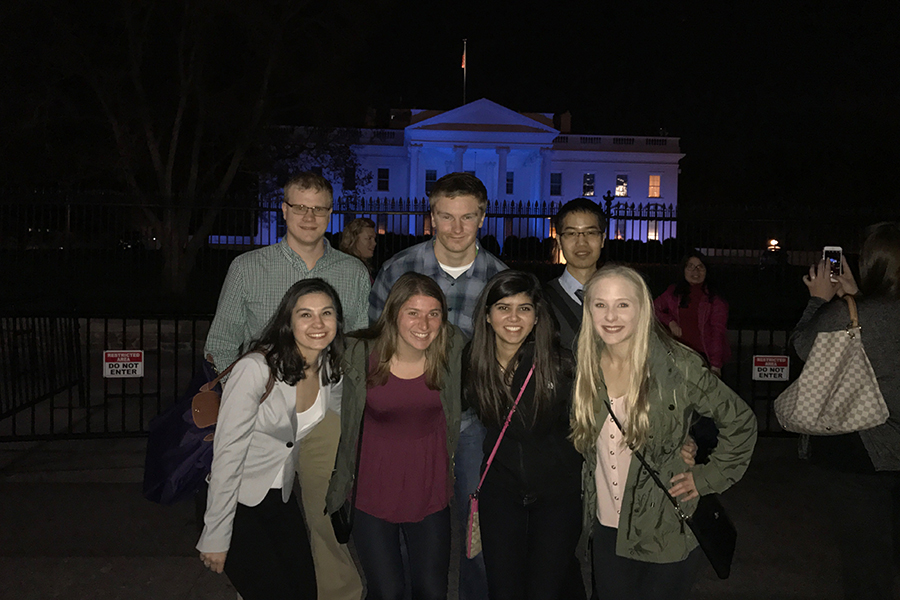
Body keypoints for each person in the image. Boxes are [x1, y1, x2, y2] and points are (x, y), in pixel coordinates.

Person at [204, 171, 366, 600]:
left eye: (319, 208)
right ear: (284, 209)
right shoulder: (248, 267)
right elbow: (220, 342)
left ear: (332, 214)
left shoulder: (352, 272)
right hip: (263, 414)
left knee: (322, 514)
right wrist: (249, 395)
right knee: (259, 498)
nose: (309, 216)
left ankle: (337, 593)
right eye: (299, 206)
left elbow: (359, 345)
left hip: (322, 410)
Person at [571, 265, 757, 600]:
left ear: (642, 308)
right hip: (607, 525)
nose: (611, 316)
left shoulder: (678, 366)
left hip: (664, 523)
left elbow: (740, 421)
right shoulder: (584, 364)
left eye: (623, 304)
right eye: (600, 305)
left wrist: (706, 477)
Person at [368, 172, 506, 600]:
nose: (456, 228)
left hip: (470, 425)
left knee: (475, 529)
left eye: (467, 217)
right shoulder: (399, 269)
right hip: (408, 424)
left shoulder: (499, 279)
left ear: (483, 217)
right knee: (408, 524)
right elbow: (372, 343)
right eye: (446, 217)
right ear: (432, 217)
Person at [197, 278, 346, 600]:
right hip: (236, 500)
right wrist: (216, 535)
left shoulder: (329, 368)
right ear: (288, 322)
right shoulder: (256, 368)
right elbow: (227, 455)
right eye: (306, 314)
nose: (318, 323)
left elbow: (346, 415)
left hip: (280, 498)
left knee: (305, 590)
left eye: (327, 313)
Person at [327, 272, 465, 600]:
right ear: (393, 314)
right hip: (372, 490)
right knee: (386, 592)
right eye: (413, 313)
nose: (424, 324)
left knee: (432, 591)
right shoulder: (359, 353)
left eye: (434, 314)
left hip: (429, 487)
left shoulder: (454, 347)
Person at [790, 222, 900, 600]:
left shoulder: (851, 316)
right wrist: (856, 296)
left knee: (866, 564)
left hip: (860, 455)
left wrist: (821, 300)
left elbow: (803, 345)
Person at [464, 271, 584, 600]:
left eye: (524, 308)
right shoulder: (473, 363)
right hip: (500, 494)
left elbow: (596, 421)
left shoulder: (559, 364)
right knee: (503, 588)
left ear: (536, 316)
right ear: (487, 316)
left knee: (545, 588)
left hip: (556, 495)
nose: (514, 318)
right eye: (503, 307)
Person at [653, 250, 731, 376]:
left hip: (702, 359)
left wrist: (715, 365)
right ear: (684, 270)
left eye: (700, 267)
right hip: (677, 357)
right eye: (691, 266)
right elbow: (653, 308)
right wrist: (670, 322)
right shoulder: (673, 293)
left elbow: (718, 333)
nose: (696, 271)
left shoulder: (715, 299)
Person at [545, 198, 608, 350]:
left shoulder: (624, 297)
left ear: (602, 239)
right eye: (572, 233)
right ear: (559, 241)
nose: (581, 242)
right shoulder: (541, 300)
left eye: (590, 233)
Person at [340, 217, 377, 281]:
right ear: (354, 239)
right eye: (369, 238)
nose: (374, 243)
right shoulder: (350, 267)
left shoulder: (358, 265)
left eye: (374, 239)